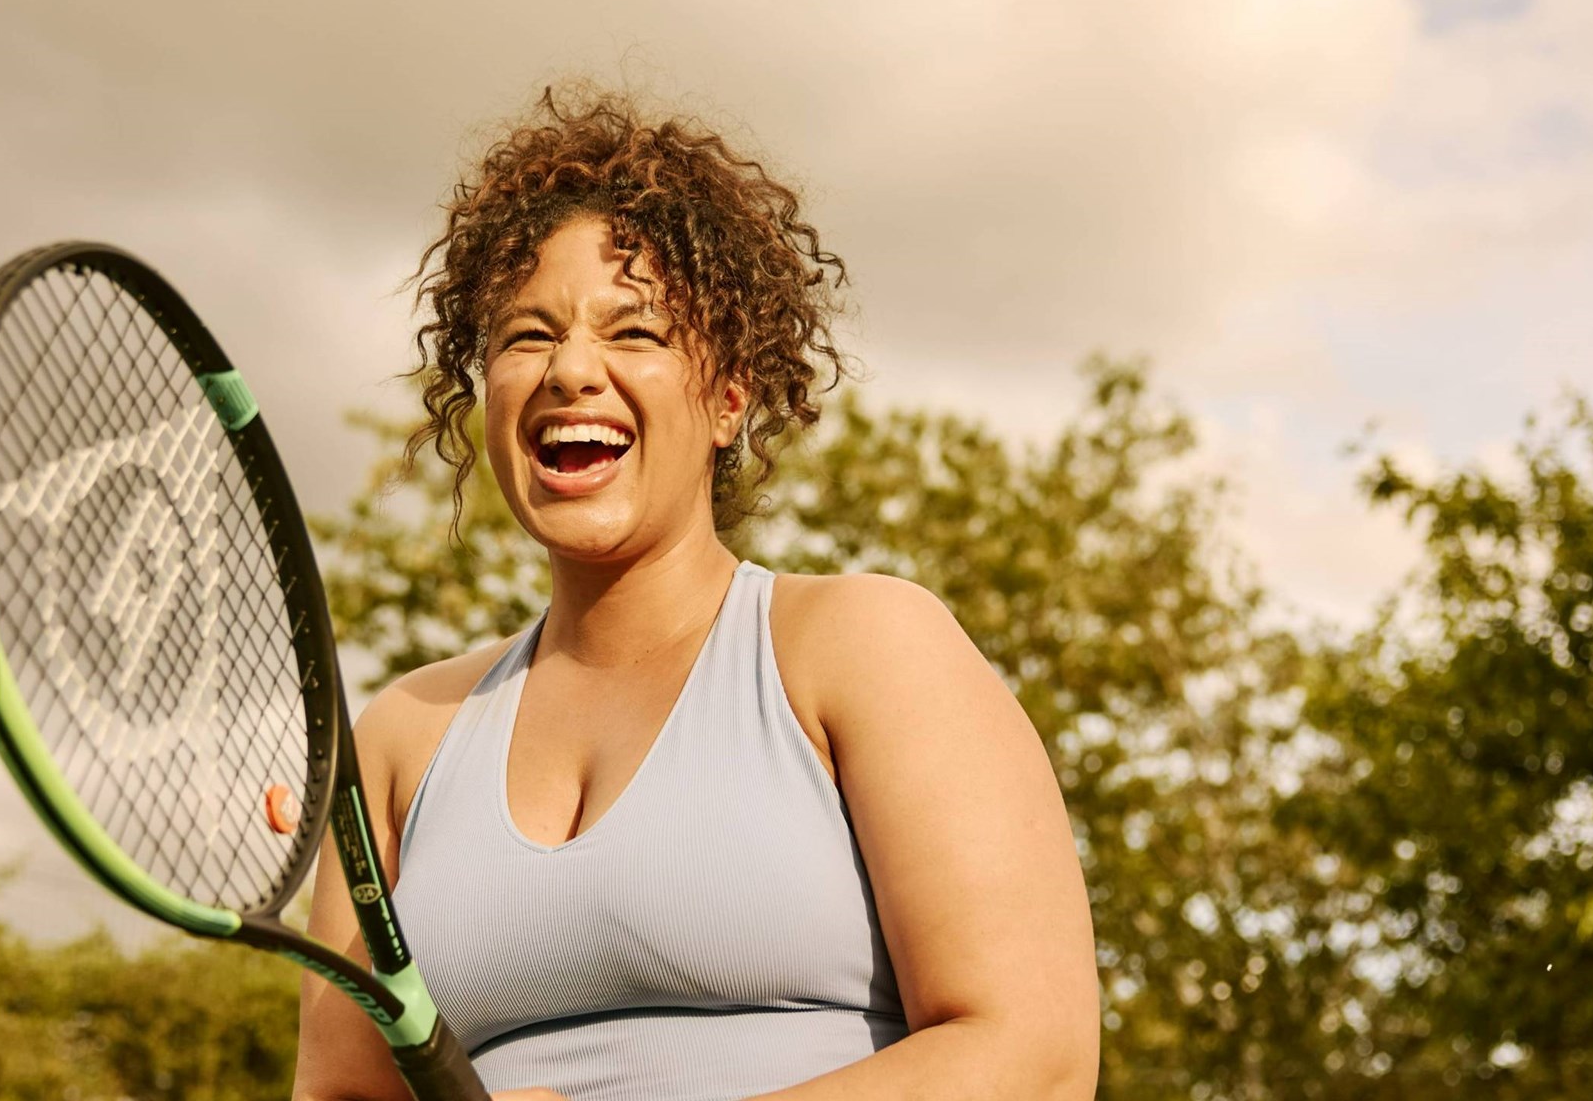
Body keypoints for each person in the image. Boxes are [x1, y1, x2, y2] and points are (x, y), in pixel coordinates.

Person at [293, 88, 1098, 1101]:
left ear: (727, 400)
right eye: (524, 336)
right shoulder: (401, 738)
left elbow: (1034, 1056)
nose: (569, 370)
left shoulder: (862, 645)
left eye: (633, 333)